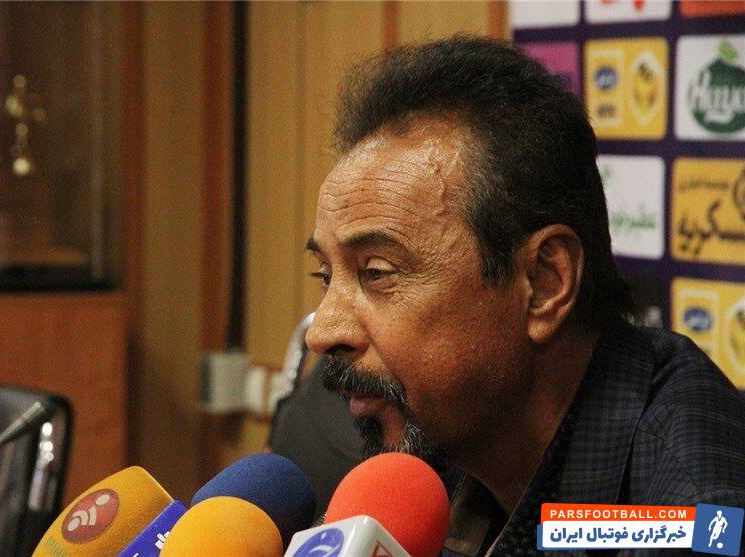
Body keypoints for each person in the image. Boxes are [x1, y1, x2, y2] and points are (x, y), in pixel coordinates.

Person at [302, 35, 745, 555]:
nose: (322, 332)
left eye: (376, 272)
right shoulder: (436, 445)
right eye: (326, 276)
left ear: (544, 284)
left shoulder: (694, 520)